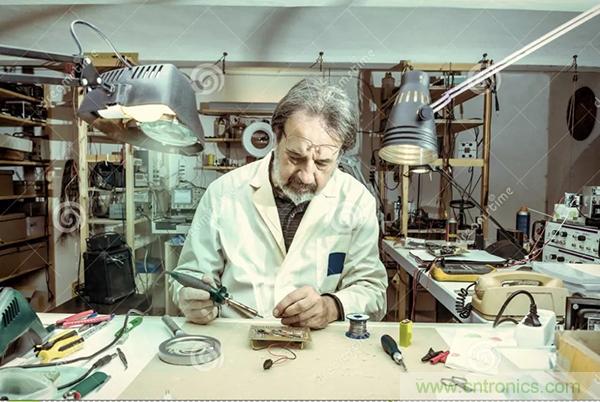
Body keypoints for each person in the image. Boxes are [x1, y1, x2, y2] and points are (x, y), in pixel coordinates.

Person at [170, 78, 387, 329]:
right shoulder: (223, 193)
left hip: (318, 345)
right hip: (236, 340)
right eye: (295, 157)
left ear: (340, 154)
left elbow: (373, 290)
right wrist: (191, 299)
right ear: (276, 136)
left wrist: (332, 306)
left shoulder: (356, 201)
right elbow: (189, 276)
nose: (306, 176)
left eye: (322, 163)